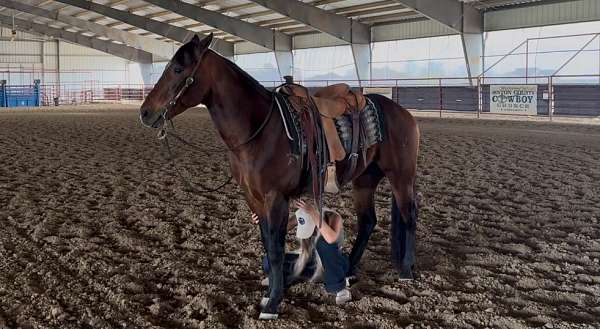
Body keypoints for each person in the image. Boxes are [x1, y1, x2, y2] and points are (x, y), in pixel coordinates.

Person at [252, 200, 352, 305]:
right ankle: (282, 278)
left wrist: (313, 214)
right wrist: (262, 220)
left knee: (323, 243)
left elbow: (330, 239)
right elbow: (278, 230)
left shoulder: (333, 217)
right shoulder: (300, 215)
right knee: (268, 262)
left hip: (335, 264)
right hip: (311, 263)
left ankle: (340, 288)